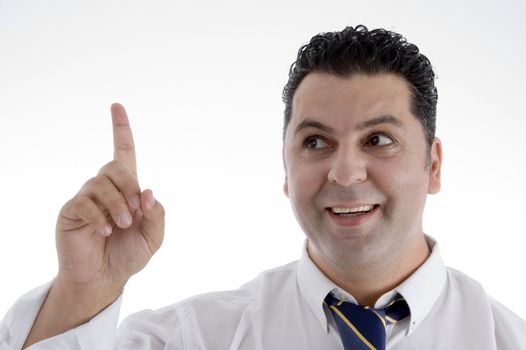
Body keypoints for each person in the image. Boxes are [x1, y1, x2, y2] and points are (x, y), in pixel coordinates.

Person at [1, 25, 525, 350]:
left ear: (433, 166)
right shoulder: (195, 339)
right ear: (285, 168)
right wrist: (85, 287)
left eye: (379, 139)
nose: (345, 173)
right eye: (316, 142)